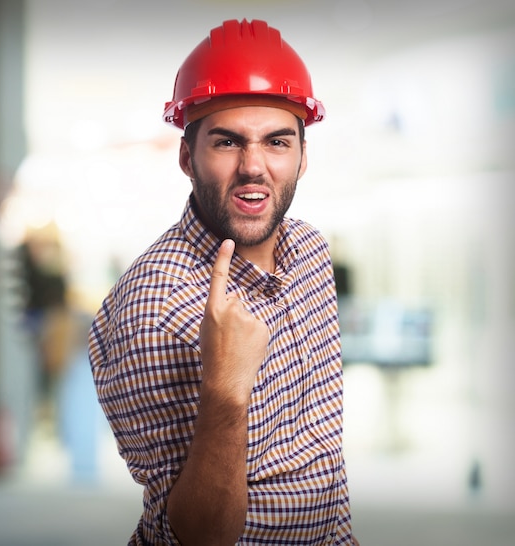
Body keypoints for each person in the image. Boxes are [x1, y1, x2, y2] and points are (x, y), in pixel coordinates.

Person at [89, 18, 358, 545]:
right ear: (188, 158)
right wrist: (227, 388)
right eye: (228, 142)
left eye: (277, 141)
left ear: (303, 157)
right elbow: (199, 537)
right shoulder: (155, 304)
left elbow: (320, 467)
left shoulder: (309, 253)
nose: (254, 166)